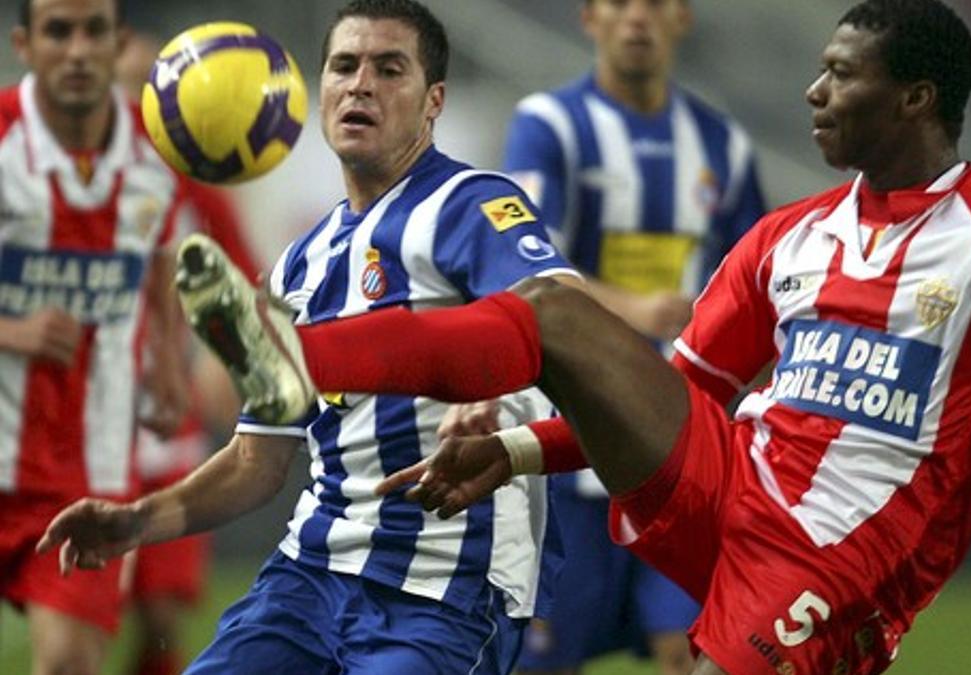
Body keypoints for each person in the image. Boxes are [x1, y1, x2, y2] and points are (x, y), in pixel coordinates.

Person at [49, 1, 971, 673]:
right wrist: (529, 446)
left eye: (842, 73)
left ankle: (302, 360)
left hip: (835, 558)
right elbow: (673, 383)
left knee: (550, 316)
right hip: (720, 480)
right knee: (560, 331)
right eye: (342, 64)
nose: (813, 89)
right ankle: (299, 361)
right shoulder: (789, 237)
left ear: (919, 97)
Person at [38, 0, 581, 673]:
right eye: (344, 67)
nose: (361, 85)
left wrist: (504, 377)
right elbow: (254, 462)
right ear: (318, 91)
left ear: (433, 100)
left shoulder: (471, 205)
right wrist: (136, 520)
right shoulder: (299, 264)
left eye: (389, 69)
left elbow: (561, 305)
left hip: (443, 591)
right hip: (308, 580)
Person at [495, 0, 765, 672]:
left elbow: (764, 282)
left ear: (684, 18)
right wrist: (631, 308)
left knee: (692, 650)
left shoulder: (722, 145)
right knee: (543, 659)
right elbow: (522, 267)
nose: (637, 18)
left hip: (685, 450)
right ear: (590, 18)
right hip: (569, 452)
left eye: (656, 3)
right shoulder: (549, 125)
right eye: (619, 3)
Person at [0, 0, 189, 673]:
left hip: (88, 472)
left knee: (69, 665)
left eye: (92, 31)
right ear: (25, 43)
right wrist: (10, 329)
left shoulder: (158, 151)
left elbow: (162, 254)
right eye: (58, 31)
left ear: (119, 42)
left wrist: (169, 355)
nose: (76, 50)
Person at [115, 31, 261, 675]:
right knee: (75, 607)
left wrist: (225, 358)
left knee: (164, 616)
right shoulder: (50, 174)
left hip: (162, 417)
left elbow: (246, 281)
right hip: (66, 419)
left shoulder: (187, 179)